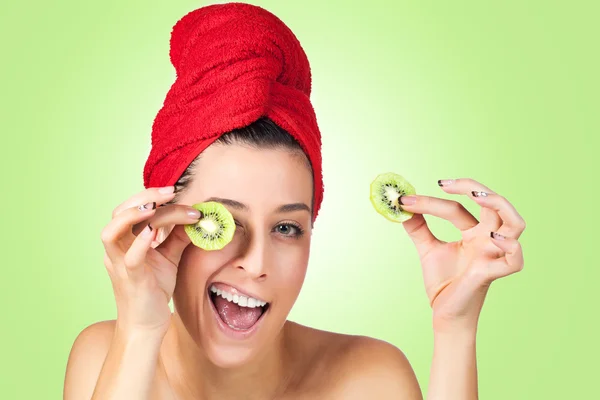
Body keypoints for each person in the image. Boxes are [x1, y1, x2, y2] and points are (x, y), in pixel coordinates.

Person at [63, 3, 527, 399]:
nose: (256, 263)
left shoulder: (368, 380)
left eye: (286, 228)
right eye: (221, 221)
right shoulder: (108, 357)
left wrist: (456, 329)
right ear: (159, 225)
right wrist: (140, 331)